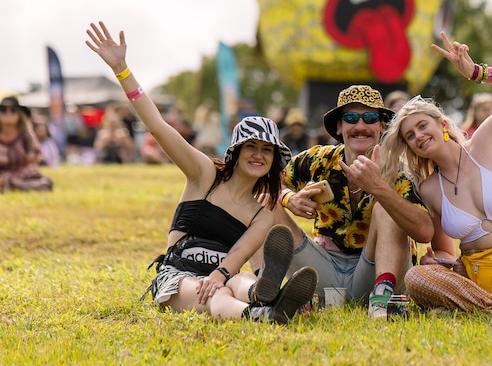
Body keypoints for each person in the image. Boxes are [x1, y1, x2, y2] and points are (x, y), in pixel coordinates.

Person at [85, 21, 317, 323]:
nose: (259, 155)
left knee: (238, 281)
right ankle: (260, 314)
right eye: (251, 147)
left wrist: (220, 275)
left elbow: (233, 260)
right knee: (218, 294)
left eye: (267, 150)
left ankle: (264, 293)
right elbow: (157, 124)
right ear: (236, 152)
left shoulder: (262, 213)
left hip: (220, 275)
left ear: (275, 159)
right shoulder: (203, 174)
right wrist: (122, 70)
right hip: (177, 276)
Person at [380, 32, 492, 311]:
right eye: (410, 136)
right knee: (416, 277)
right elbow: (446, 250)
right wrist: (437, 261)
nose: (419, 136)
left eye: (423, 126)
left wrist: (476, 73)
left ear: (443, 125)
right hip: (473, 277)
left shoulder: (485, 142)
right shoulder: (429, 188)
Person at [275, 84, 434, 318]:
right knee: (267, 208)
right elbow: (271, 181)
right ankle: (260, 290)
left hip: (377, 272)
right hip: (327, 270)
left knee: (385, 209)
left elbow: (424, 231)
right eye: (351, 118)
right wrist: (288, 198)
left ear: (382, 126)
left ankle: (381, 299)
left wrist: (379, 188)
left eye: (369, 118)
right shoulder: (319, 160)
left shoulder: (399, 170)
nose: (360, 126)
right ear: (339, 127)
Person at [0, 97, 54, 192]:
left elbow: (34, 159)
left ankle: (13, 185)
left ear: (20, 114)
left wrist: (11, 176)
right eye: (3, 110)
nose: (8, 113)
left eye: (13, 110)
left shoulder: (26, 136)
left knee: (30, 174)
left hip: (23, 174)